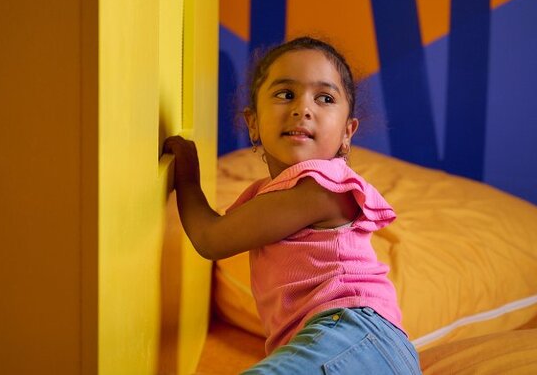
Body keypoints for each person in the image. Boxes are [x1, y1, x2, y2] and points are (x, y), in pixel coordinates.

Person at [164, 36, 421, 374]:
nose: (303, 108)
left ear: (347, 133)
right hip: (352, 344)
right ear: (253, 122)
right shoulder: (272, 195)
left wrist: (186, 177)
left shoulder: (320, 187)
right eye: (285, 94)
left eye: (325, 98)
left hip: (357, 334)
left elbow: (210, 238)